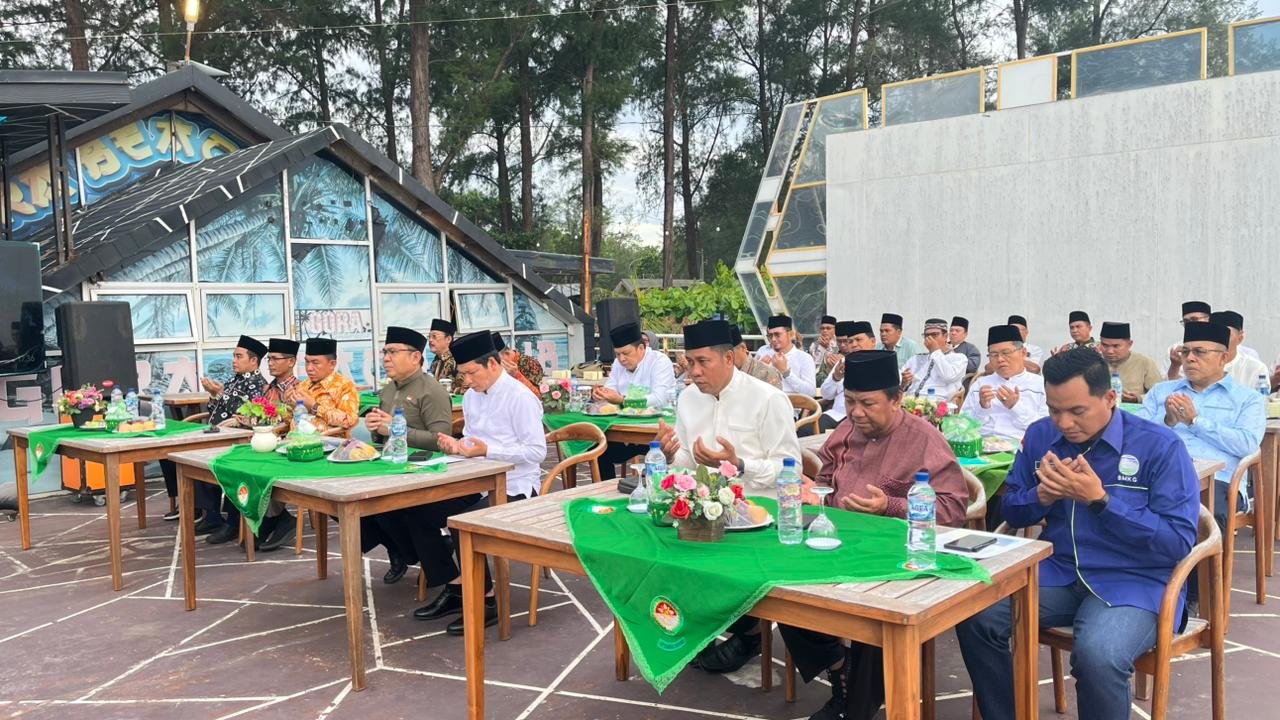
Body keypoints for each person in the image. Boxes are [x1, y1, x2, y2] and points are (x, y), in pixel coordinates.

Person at [957, 348, 1201, 720]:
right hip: (1060, 570)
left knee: (1099, 655)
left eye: (1077, 411)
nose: (1064, 423)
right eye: (1054, 410)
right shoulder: (1041, 436)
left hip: (1135, 580)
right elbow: (1011, 510)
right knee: (975, 616)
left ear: (1110, 397)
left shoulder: (1159, 446)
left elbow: (1176, 542)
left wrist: (1101, 501)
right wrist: (1041, 496)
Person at [784, 349, 967, 720]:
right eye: (850, 401)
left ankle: (854, 709)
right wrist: (815, 490)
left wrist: (891, 506)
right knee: (782, 586)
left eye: (867, 404)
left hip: (895, 556)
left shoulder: (924, 439)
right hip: (838, 542)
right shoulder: (847, 429)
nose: (856, 412)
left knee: (876, 617)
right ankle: (839, 668)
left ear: (896, 400)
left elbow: (954, 509)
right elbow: (827, 473)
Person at [653, 319, 801, 674]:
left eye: (703, 362)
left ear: (729, 358)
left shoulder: (768, 398)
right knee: (656, 553)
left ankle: (749, 632)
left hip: (758, 518)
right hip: (705, 514)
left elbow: (791, 468)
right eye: (690, 362)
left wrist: (740, 464)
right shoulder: (688, 398)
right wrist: (671, 455)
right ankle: (697, 628)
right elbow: (688, 461)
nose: (694, 372)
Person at [432, 331, 548, 634]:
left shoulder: (520, 397)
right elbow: (472, 440)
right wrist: (458, 446)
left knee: (462, 524)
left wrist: (488, 450)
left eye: (472, 373)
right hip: (477, 478)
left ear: (493, 364)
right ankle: (455, 585)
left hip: (516, 486)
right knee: (424, 510)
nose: (467, 381)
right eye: (463, 374)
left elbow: (537, 452)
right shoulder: (472, 396)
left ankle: (486, 601)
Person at [1137, 321, 1265, 530]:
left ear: (1223, 358)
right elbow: (1136, 437)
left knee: (1197, 517)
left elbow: (1247, 444)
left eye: (1199, 352)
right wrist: (1167, 422)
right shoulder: (1161, 392)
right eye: (1185, 352)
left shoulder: (1247, 398)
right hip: (1158, 475)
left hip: (1218, 482)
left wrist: (1195, 422)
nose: (1189, 358)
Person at [359, 326, 459, 586]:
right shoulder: (388, 390)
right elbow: (383, 437)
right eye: (385, 352)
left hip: (424, 472)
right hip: (392, 468)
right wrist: (376, 428)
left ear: (415, 357)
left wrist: (395, 429)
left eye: (393, 352)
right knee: (353, 506)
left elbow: (441, 440)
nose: (386, 358)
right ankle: (403, 550)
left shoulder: (431, 390)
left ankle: (435, 569)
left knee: (390, 509)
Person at [192, 335, 270, 545]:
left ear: (253, 361)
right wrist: (214, 395)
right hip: (220, 435)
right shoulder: (234, 380)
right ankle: (212, 516)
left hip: (241, 439)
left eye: (239, 356)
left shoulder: (259, 385)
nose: (234, 361)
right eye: (233, 356)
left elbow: (248, 414)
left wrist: (221, 394)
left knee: (227, 466)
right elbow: (215, 410)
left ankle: (234, 522)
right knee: (194, 457)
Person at [594, 321, 678, 479]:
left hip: (655, 429)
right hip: (625, 428)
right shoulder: (618, 363)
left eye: (626, 353)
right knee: (598, 449)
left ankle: (654, 486)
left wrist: (623, 400)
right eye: (617, 354)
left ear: (641, 348)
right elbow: (610, 389)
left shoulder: (659, 361)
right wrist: (601, 394)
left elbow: (659, 399)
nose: (622, 359)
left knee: (658, 460)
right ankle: (607, 491)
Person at [253, 337, 305, 549]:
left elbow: (301, 422)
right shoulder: (268, 389)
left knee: (265, 464)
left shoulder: (300, 389)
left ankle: (277, 519)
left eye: (275, 359)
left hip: (291, 442)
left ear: (291, 362)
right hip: (268, 439)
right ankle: (271, 518)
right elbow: (260, 415)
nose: (271, 363)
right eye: (269, 359)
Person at [961, 324, 1048, 441]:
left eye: (1006, 353)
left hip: (1022, 447)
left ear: (1023, 353)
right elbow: (963, 427)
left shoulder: (1041, 385)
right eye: (994, 355)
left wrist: (1015, 406)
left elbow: (1045, 430)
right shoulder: (980, 385)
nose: (1000, 359)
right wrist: (982, 407)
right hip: (983, 446)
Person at [286, 337, 359, 438]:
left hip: (329, 444)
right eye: (307, 362)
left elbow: (349, 420)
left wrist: (315, 407)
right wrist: (289, 406)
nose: (309, 368)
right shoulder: (303, 386)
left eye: (315, 363)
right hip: (297, 442)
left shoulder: (344, 386)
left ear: (332, 364)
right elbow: (291, 421)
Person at [819, 321, 878, 431]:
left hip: (866, 417)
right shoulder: (842, 363)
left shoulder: (883, 363)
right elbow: (826, 395)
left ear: (873, 341)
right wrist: (836, 377)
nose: (854, 344)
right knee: (806, 430)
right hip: (836, 416)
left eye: (858, 340)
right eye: (850, 341)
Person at [900, 318, 967, 401]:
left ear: (945, 336)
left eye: (934, 335)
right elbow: (899, 382)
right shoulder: (916, 359)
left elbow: (948, 376)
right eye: (926, 335)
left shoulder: (959, 358)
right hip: (909, 402)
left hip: (938, 404)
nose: (930, 338)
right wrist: (904, 382)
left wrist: (935, 351)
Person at [1096, 322, 1162, 403]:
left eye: (1116, 346)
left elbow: (1160, 393)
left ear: (1129, 344)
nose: (1110, 351)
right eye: (1105, 345)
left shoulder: (1144, 363)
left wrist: (1138, 398)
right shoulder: (1093, 363)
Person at [756, 314, 817, 397]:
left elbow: (811, 392)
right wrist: (758, 370)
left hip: (792, 403)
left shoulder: (804, 358)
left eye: (777, 334)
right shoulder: (763, 352)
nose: (773, 339)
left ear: (790, 335)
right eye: (770, 335)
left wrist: (786, 373)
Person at [1210, 310, 1269, 389]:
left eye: (1226, 335)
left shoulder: (1256, 369)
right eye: (1215, 335)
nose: (1220, 339)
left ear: (1240, 338)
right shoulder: (1198, 365)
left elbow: (1261, 396)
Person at [1165, 300, 1212, 379]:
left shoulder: (1220, 348)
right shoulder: (1174, 350)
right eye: (1186, 321)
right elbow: (1166, 384)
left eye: (1195, 319)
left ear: (1208, 320)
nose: (1190, 324)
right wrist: (1174, 366)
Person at [732, 325, 783, 389]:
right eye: (770, 335)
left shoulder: (767, 373)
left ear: (743, 348)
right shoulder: (723, 374)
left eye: (729, 355)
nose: (773, 339)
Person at [428, 318, 460, 388]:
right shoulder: (436, 360)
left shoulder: (458, 360)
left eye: (434, 336)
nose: (430, 340)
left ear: (448, 339)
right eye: (429, 337)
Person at [811, 315, 840, 386]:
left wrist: (827, 348)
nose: (825, 331)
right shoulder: (814, 345)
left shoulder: (839, 343)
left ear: (835, 329)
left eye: (828, 328)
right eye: (822, 328)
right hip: (815, 379)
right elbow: (813, 364)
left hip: (833, 378)